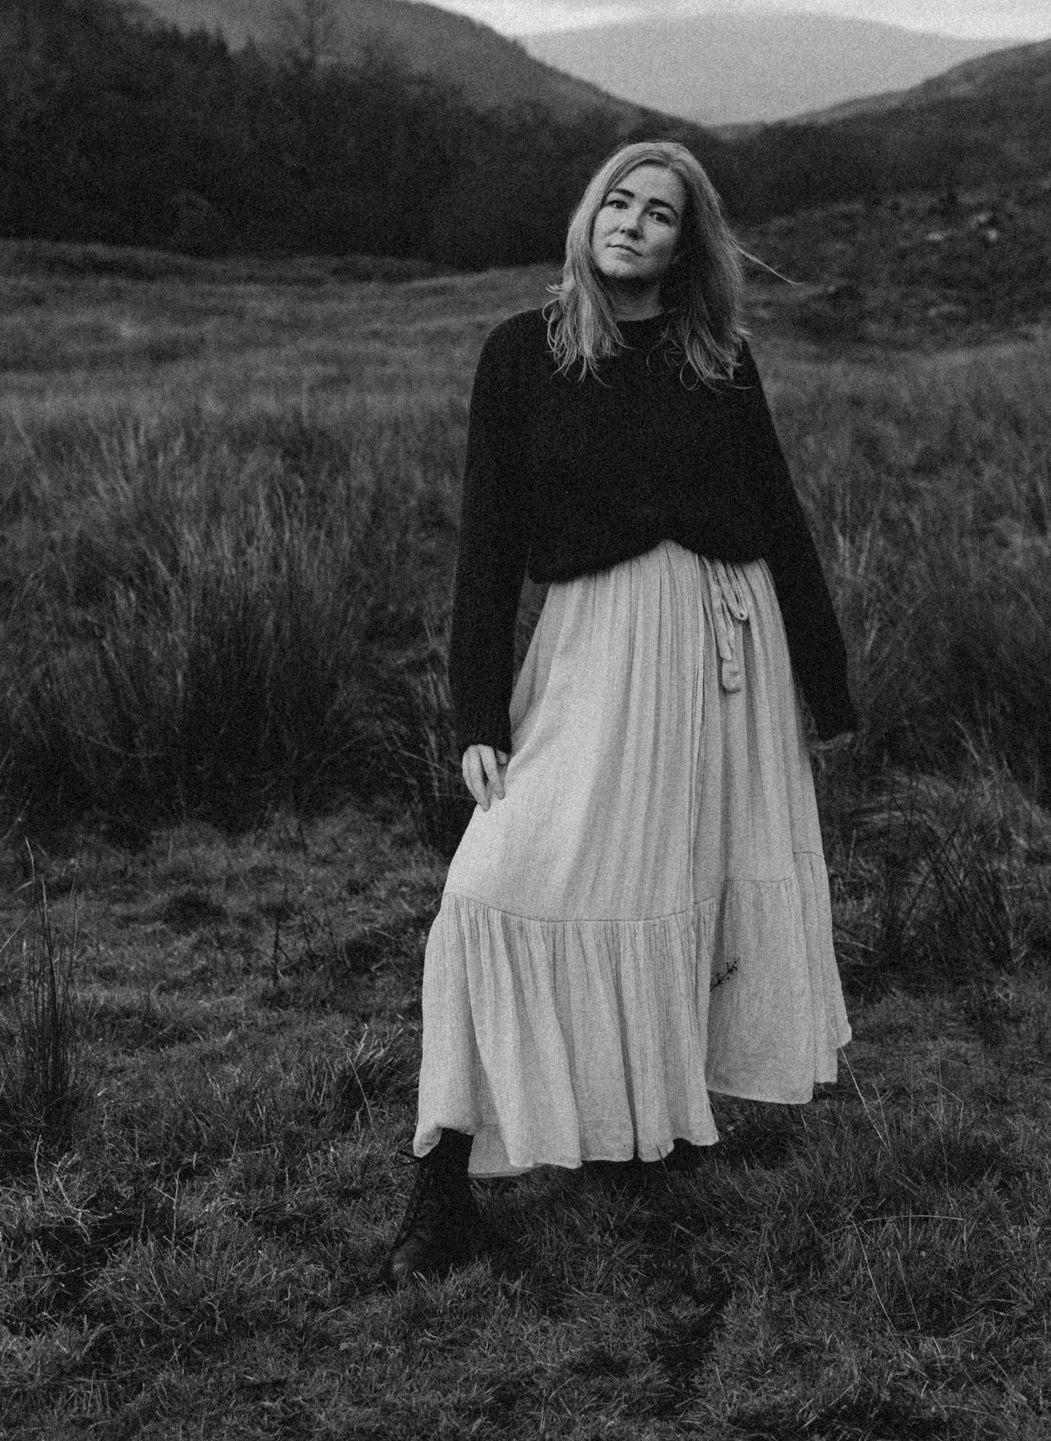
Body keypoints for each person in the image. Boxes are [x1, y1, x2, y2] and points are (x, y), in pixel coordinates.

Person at [383, 139, 857, 1285]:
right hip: (594, 649)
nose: (633, 222)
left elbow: (778, 511)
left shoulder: (717, 356)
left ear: (687, 245)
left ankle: (646, 1124)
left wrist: (826, 680)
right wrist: (478, 711)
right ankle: (442, 1177)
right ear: (589, 211)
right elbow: (489, 540)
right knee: (494, 881)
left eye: (661, 213)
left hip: (725, 644)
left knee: (679, 880)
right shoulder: (525, 351)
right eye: (620, 200)